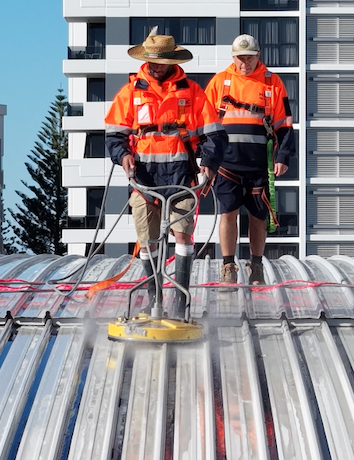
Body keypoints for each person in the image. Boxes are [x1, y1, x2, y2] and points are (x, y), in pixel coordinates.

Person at [104, 31, 225, 316]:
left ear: (172, 61)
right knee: (147, 240)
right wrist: (123, 156)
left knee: (182, 236)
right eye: (152, 61)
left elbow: (215, 135)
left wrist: (208, 161)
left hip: (182, 176)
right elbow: (113, 135)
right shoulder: (131, 93)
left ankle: (180, 303)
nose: (156, 66)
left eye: (161, 62)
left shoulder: (192, 92)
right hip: (144, 178)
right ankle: (152, 298)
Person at [205, 34, 293, 285]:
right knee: (227, 213)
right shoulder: (220, 82)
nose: (245, 63)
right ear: (233, 57)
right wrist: (208, 160)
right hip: (227, 163)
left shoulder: (272, 82)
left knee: (258, 215)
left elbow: (284, 122)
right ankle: (228, 266)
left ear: (258, 56)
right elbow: (207, 123)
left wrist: (283, 155)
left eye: (250, 58)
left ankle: (256, 266)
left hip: (259, 164)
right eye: (240, 58)